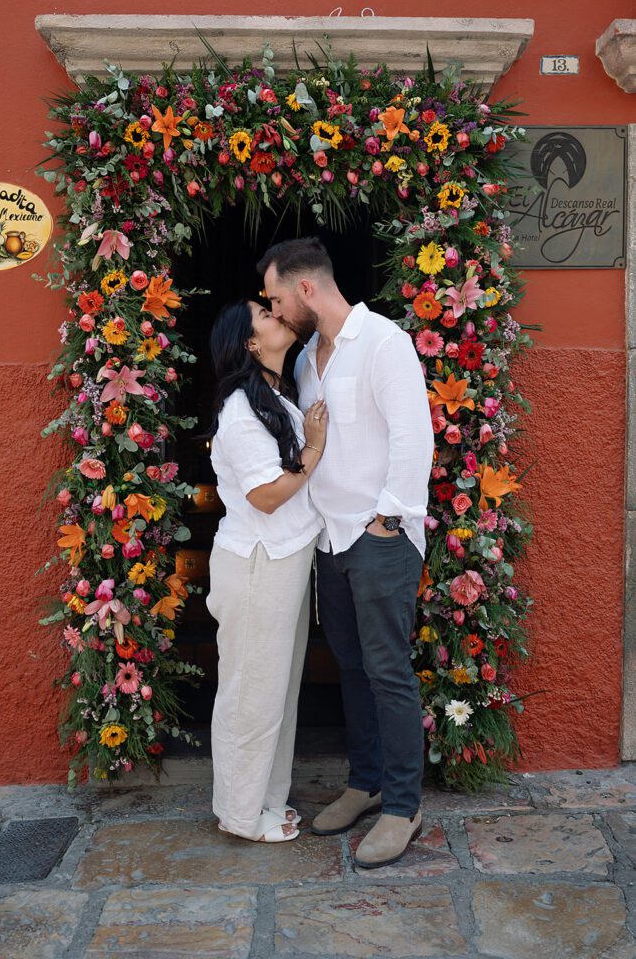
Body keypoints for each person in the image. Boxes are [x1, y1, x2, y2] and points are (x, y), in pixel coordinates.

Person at [259, 237, 434, 869]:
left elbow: (417, 437)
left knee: (388, 670)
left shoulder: (384, 341)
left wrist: (388, 520)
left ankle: (403, 807)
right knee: (353, 667)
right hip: (329, 539)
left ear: (306, 289)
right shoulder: (307, 359)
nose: (274, 311)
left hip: (377, 537)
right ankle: (366, 784)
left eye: (276, 298)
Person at [205, 298, 328, 843]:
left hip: (283, 558)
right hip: (258, 561)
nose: (279, 315)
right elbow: (267, 495)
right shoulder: (240, 408)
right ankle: (239, 813)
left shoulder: (277, 394)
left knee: (277, 691)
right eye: (264, 314)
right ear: (250, 344)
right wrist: (316, 449)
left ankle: (264, 800)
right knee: (250, 695)